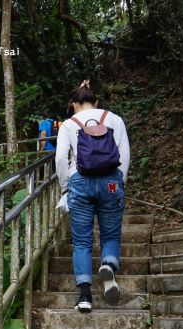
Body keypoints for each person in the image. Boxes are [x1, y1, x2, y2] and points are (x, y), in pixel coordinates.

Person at [55, 80, 130, 312]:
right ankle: (108, 265)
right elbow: (124, 155)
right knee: (110, 234)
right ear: (96, 102)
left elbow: (60, 159)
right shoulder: (115, 120)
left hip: (80, 183)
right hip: (111, 182)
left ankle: (85, 296)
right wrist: (119, 183)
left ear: (74, 104)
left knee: (82, 241)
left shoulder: (69, 124)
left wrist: (65, 188)